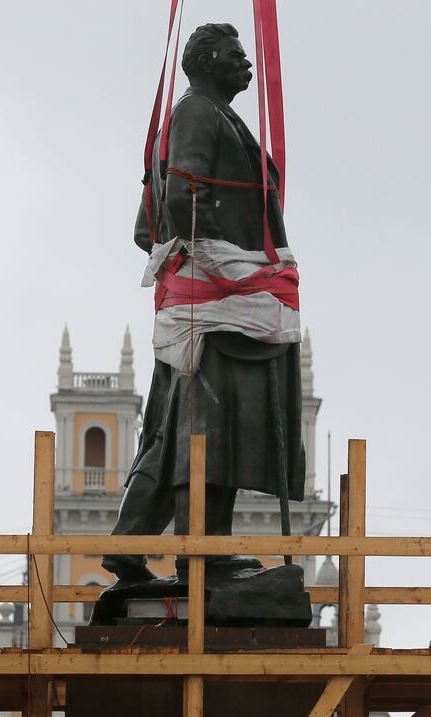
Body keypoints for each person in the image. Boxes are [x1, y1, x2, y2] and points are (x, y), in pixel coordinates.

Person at [100, 22, 303, 587]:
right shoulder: (196, 113)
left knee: (201, 430)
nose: (248, 66)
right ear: (208, 60)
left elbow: (152, 225)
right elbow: (178, 202)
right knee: (204, 430)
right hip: (218, 307)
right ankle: (197, 553)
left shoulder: (212, 114)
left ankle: (165, 549)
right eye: (236, 57)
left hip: (218, 307)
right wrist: (228, 268)